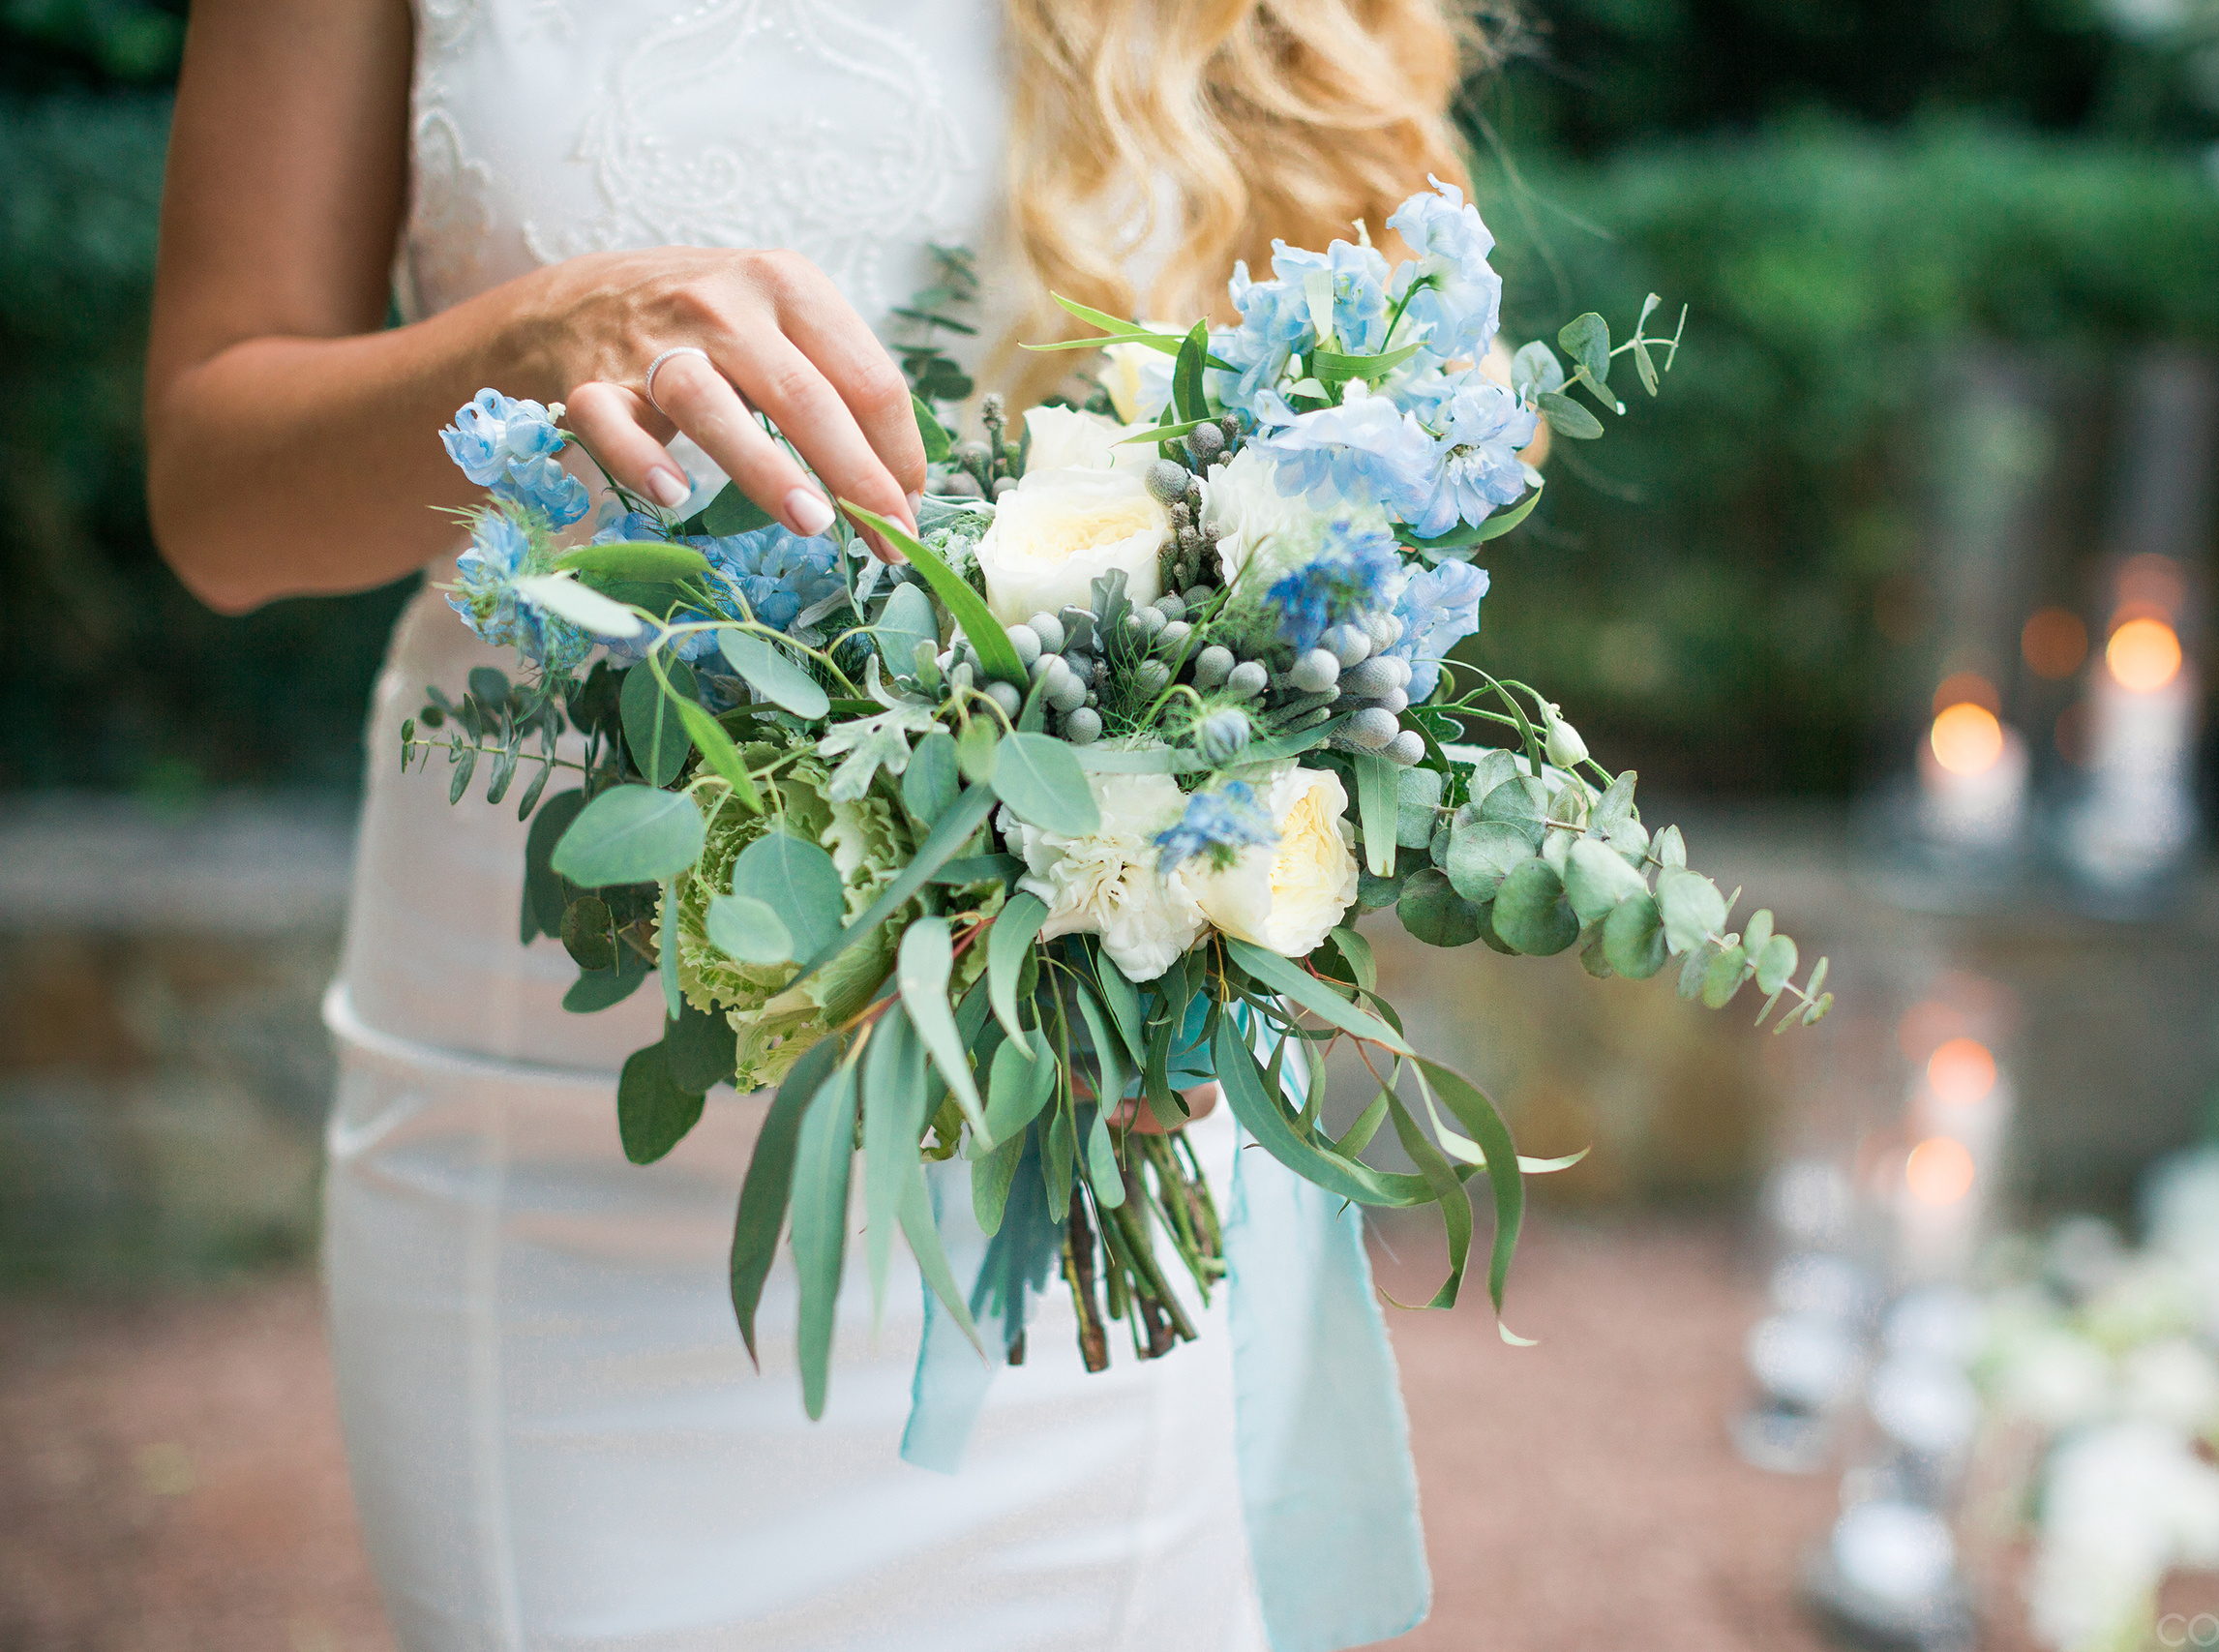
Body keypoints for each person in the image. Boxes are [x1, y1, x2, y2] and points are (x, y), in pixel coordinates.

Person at [145, 2, 1475, 1647]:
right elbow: (213, 492)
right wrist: (519, 349)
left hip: (1058, 1094)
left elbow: (1384, 464)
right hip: (547, 1124)